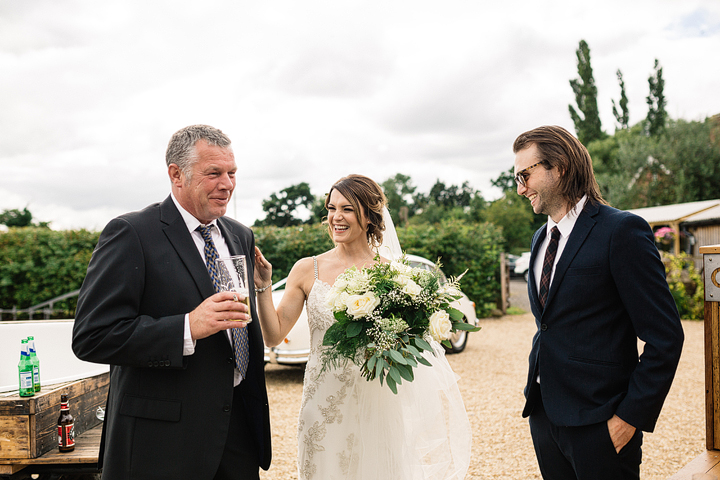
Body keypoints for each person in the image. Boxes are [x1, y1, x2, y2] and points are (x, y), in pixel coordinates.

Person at [72, 125, 271, 480]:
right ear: (176, 174)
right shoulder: (131, 233)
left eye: (232, 173)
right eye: (214, 173)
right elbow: (92, 335)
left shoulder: (240, 235)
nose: (227, 184)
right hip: (162, 443)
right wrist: (187, 327)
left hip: (237, 431)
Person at [253, 174, 471, 480]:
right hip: (322, 404)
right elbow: (273, 335)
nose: (336, 217)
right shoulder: (307, 269)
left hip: (377, 403)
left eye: (348, 209)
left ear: (369, 216)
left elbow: (407, 345)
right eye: (331, 208)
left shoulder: (393, 275)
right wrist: (262, 287)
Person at [513, 125, 684, 480]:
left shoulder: (621, 231)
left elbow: (665, 337)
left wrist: (628, 419)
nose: (520, 188)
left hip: (600, 423)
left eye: (524, 175)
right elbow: (549, 323)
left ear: (558, 167)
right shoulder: (539, 239)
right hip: (545, 417)